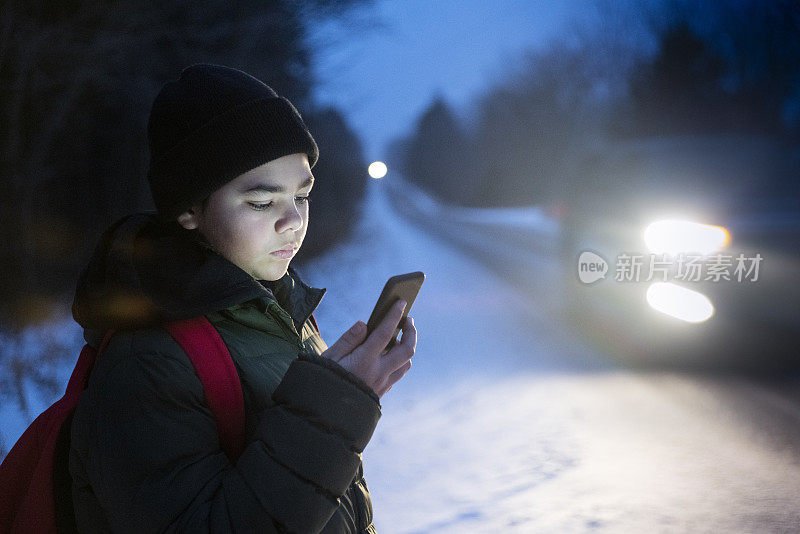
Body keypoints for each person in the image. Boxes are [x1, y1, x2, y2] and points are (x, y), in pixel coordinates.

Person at [68, 63, 416, 533]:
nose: (293, 220)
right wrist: (336, 408)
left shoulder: (275, 306)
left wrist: (336, 396)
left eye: (303, 195)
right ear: (189, 209)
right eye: (261, 201)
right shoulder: (146, 362)